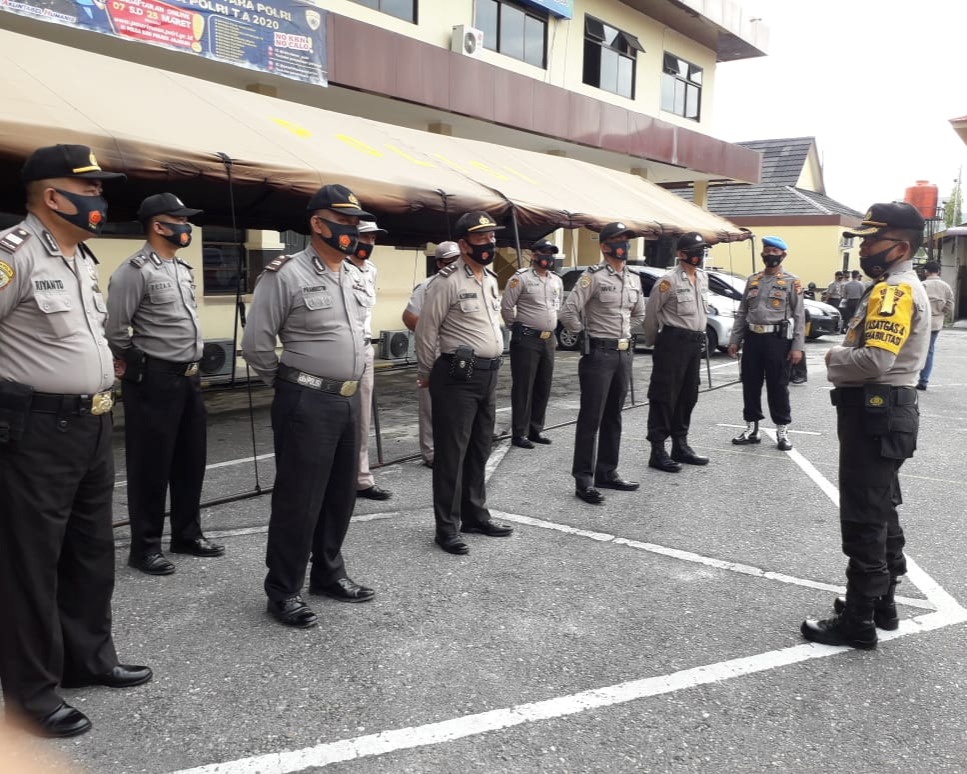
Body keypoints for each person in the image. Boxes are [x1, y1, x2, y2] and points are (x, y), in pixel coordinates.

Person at [0, 144, 151, 738]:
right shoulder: (15, 255)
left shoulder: (81, 257)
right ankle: (31, 694)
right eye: (87, 188)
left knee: (91, 550)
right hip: (36, 429)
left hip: (92, 423)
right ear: (51, 196)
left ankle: (88, 658)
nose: (100, 199)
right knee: (30, 563)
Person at [241, 183, 376, 628]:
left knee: (340, 495)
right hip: (306, 397)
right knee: (300, 498)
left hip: (347, 397)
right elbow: (258, 345)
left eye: (356, 223)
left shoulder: (354, 274)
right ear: (318, 224)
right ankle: (283, 589)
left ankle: (328, 574)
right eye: (344, 221)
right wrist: (293, 386)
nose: (352, 231)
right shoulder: (286, 274)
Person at [801, 202, 930, 649]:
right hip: (887, 412)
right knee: (881, 508)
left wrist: (834, 357)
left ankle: (859, 620)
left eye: (873, 239)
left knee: (863, 515)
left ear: (901, 246)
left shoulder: (893, 291)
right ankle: (883, 604)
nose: (865, 247)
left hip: (875, 411)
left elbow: (875, 360)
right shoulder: (895, 286)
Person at [106, 193, 225, 576]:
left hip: (190, 378)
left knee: (191, 460)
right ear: (158, 225)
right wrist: (141, 361)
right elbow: (114, 329)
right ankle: (145, 547)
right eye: (180, 220)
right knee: (150, 466)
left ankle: (187, 534)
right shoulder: (134, 271)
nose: (186, 227)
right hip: (155, 380)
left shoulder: (181, 268)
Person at [415, 211, 514, 554]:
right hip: (457, 375)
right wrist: (427, 375)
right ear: (463, 243)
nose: (489, 243)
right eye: (481, 238)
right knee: (452, 454)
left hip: (488, 373)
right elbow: (427, 331)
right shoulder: (446, 281)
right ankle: (447, 526)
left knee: (479, 448)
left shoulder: (489, 278)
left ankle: (475, 515)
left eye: (491, 237)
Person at [558, 222, 645, 504]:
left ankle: (607, 472)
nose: (624, 244)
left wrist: (625, 333)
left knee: (614, 417)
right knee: (591, 419)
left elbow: (639, 314)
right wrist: (586, 336)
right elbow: (568, 311)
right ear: (605, 246)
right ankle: (583, 480)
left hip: (622, 354)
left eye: (626, 240)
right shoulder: (591, 277)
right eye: (618, 240)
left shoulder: (633, 277)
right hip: (598, 355)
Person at [727, 235, 806, 451]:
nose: (769, 255)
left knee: (778, 385)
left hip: (777, 340)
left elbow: (799, 315)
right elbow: (743, 311)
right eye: (767, 251)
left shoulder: (792, 281)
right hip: (753, 338)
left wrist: (798, 346)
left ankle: (782, 430)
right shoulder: (753, 280)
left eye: (774, 251)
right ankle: (751, 429)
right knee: (750, 384)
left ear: (783, 255)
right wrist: (735, 339)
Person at [642, 232, 711, 472]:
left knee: (688, 395)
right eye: (694, 250)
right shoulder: (668, 281)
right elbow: (651, 314)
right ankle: (658, 449)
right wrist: (654, 343)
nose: (699, 254)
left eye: (701, 249)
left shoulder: (702, 278)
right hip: (672, 342)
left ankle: (680, 444)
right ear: (681, 254)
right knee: (664, 396)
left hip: (694, 343)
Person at [402, 241, 461, 468]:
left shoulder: (468, 284)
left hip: (460, 352)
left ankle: (452, 448)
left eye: (458, 260)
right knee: (430, 405)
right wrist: (430, 331)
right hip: (435, 350)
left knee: (457, 405)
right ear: (439, 263)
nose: (455, 265)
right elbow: (409, 317)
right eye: (450, 261)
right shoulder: (427, 286)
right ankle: (431, 452)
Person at [501, 239, 564, 449]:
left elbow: (557, 306)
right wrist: (516, 328)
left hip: (548, 339)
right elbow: (507, 307)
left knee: (543, 386)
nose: (549, 257)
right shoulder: (520, 279)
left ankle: (536, 429)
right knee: (524, 387)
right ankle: (519, 433)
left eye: (551, 253)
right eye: (545, 252)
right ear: (534, 255)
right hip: (527, 339)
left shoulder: (556, 280)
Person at [348, 219, 392, 501]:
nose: (369, 243)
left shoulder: (371, 270)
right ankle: (335, 476)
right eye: (365, 237)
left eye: (373, 238)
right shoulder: (340, 266)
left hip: (363, 347)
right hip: (339, 349)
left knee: (362, 417)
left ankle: (361, 478)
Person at [916, 260, 954, 390]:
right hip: (936, 323)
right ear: (938, 271)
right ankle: (924, 380)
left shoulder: (922, 285)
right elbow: (950, 305)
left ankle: (908, 378)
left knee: (915, 349)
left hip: (921, 322)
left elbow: (915, 304)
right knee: (930, 350)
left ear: (926, 271)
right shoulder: (946, 286)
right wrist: (941, 313)